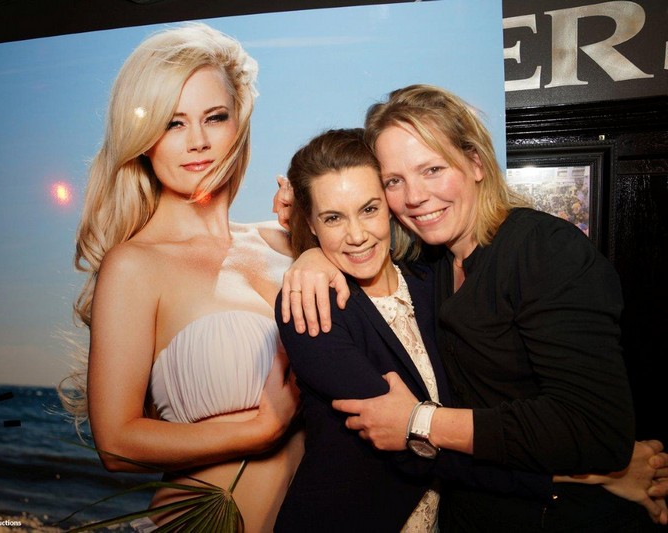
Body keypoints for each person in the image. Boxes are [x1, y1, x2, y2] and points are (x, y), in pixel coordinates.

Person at [275, 85, 668, 530]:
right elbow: (405, 448)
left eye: (432, 169)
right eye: (395, 181)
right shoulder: (426, 271)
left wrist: (420, 421)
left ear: (477, 163)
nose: (415, 196)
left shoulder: (522, 254)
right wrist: (309, 257)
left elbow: (591, 425)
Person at [59, 23, 304, 532]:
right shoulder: (135, 265)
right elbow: (117, 444)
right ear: (144, 141)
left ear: (239, 123)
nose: (198, 142)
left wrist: (318, 237)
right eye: (173, 123)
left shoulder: (287, 243)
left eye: (215, 117)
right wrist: (262, 429)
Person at [274, 128, 557, 532]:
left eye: (369, 209)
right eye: (333, 218)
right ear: (312, 225)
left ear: (390, 206)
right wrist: (566, 478)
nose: (357, 235)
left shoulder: (433, 282)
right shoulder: (310, 304)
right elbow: (409, 445)